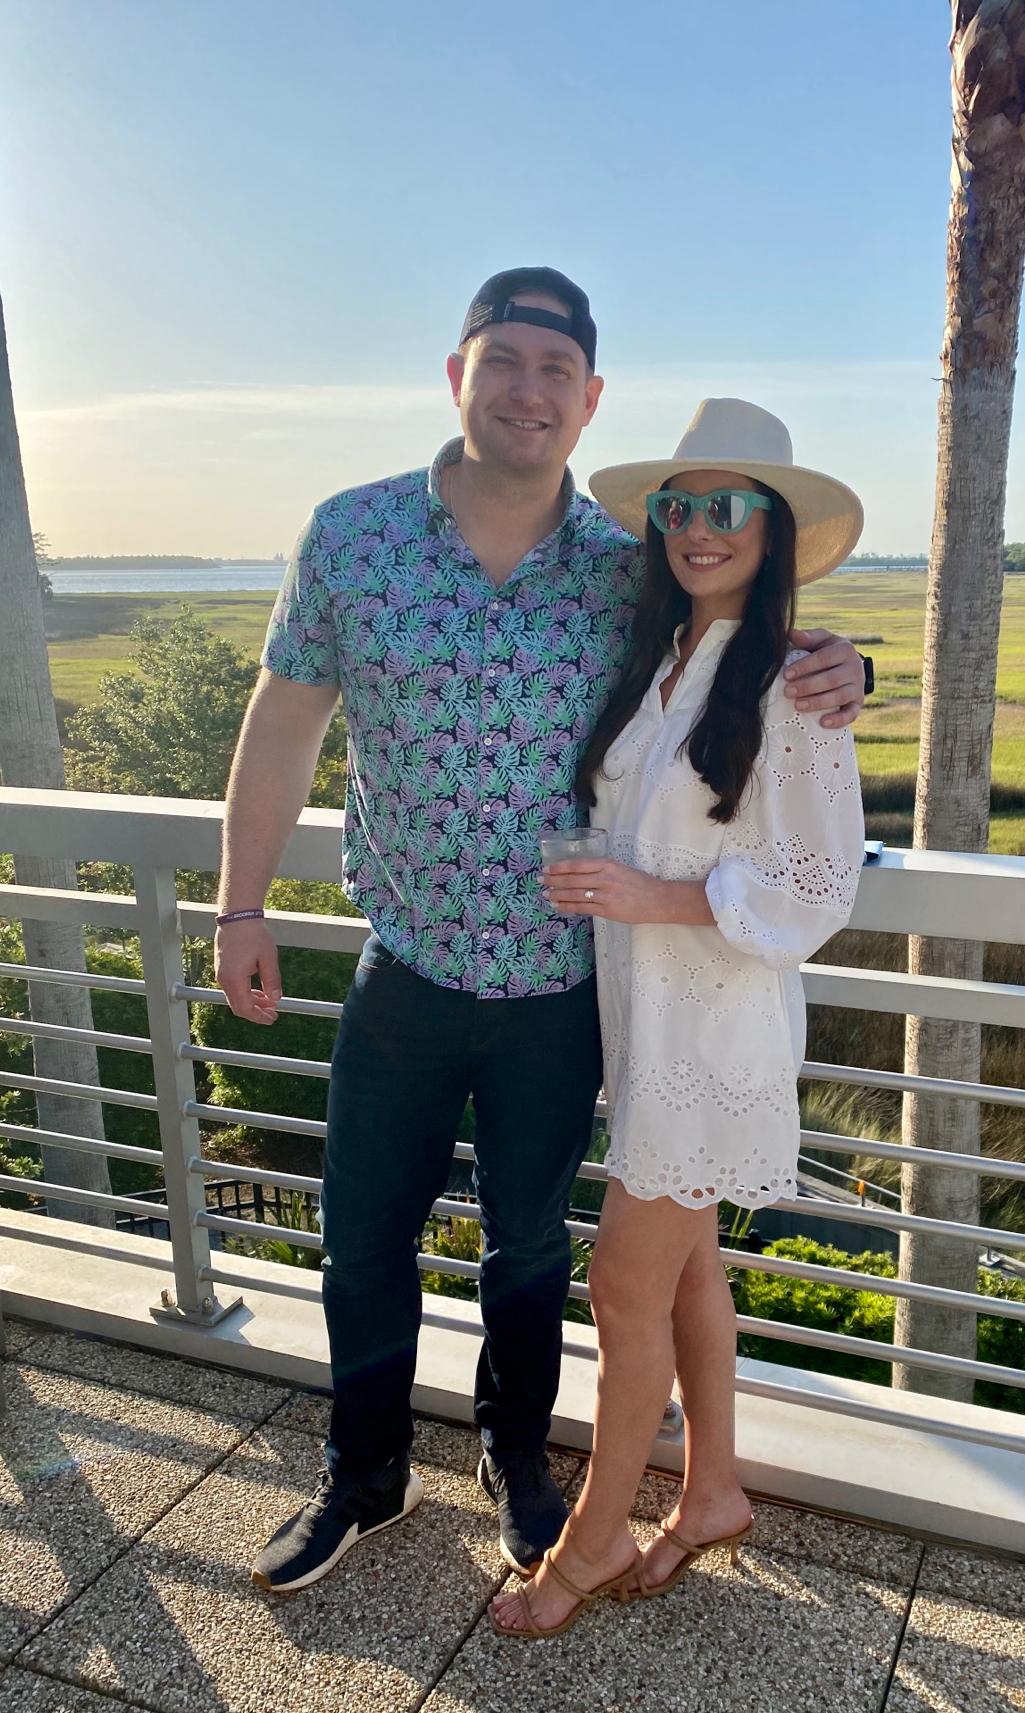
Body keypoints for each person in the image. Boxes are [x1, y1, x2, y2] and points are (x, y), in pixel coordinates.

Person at [215, 271, 869, 1594]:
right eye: (503, 360)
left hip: (567, 993)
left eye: (554, 369)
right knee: (362, 1235)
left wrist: (849, 665)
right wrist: (241, 903)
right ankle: (363, 1474)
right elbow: (283, 722)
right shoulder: (351, 535)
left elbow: (748, 640)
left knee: (527, 1247)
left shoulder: (624, 564)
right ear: (456, 374)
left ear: (590, 398)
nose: (528, 389)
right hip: (407, 965)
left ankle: (520, 1462)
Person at [490, 398, 866, 1637]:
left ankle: (593, 1539)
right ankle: (710, 1494)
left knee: (619, 1289)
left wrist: (652, 896)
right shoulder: (660, 664)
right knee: (690, 1268)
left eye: (727, 506)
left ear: (774, 528)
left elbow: (819, 884)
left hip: (712, 1037)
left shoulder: (793, 684)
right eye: (678, 506)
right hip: (644, 1023)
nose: (700, 528)